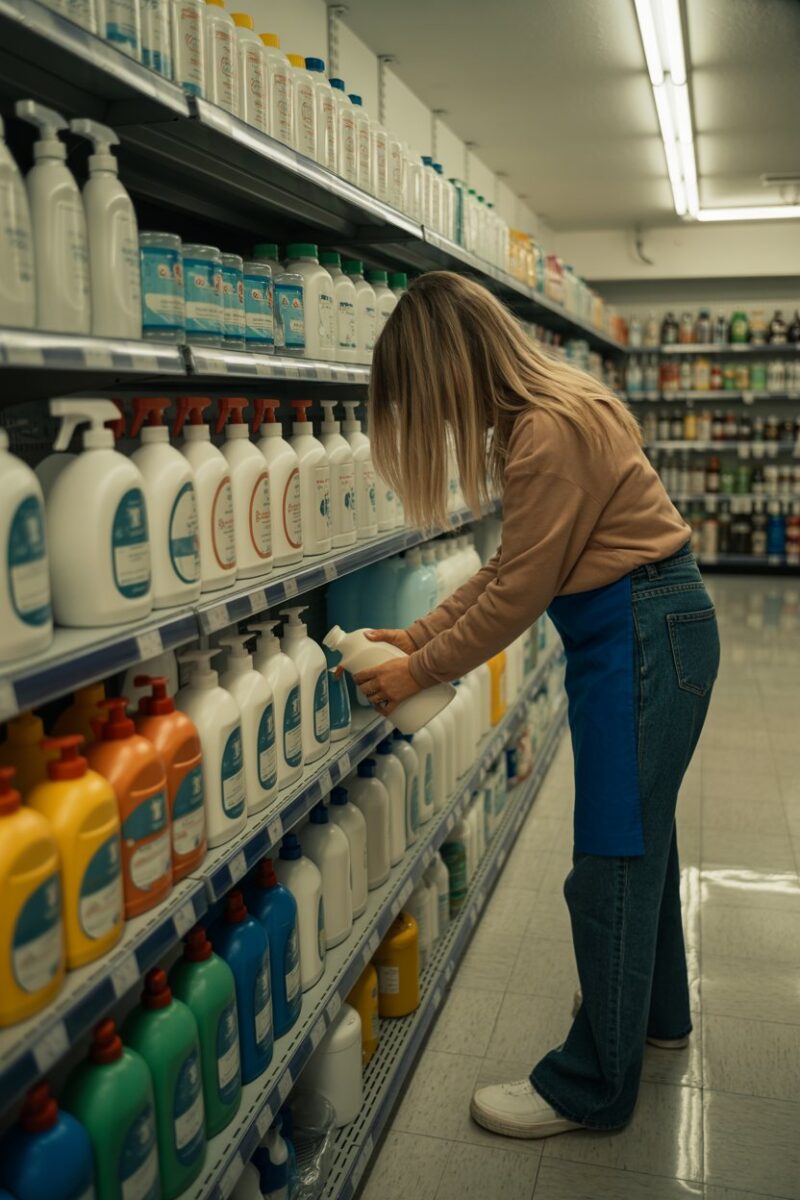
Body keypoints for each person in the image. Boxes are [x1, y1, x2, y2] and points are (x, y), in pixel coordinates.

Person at [352, 271, 720, 1139]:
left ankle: (592, 1084)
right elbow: (510, 565)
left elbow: (519, 591)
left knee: (610, 861)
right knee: (642, 845)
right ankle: (657, 1019)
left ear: (448, 369)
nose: (431, 421)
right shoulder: (551, 409)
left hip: (637, 639)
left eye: (422, 397)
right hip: (643, 631)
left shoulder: (543, 433)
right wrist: (418, 638)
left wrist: (418, 672)